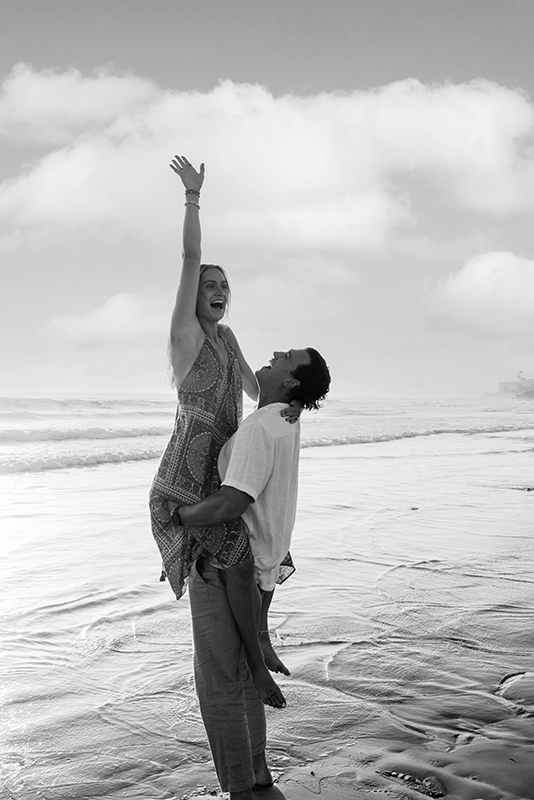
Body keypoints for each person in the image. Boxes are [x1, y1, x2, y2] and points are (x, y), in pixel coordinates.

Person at [149, 155, 298, 712]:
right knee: (238, 556)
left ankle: (260, 637)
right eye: (210, 284)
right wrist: (192, 196)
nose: (218, 290)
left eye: (224, 286)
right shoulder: (184, 335)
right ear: (194, 293)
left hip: (221, 473)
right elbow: (189, 257)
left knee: (271, 543)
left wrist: (294, 383)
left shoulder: (229, 340)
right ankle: (257, 669)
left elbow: (261, 399)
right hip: (184, 479)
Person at [172, 344, 331, 800]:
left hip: (227, 567)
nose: (277, 351)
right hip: (262, 565)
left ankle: (240, 789)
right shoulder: (285, 421)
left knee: (219, 682)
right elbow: (250, 375)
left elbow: (232, 501)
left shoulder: (262, 428)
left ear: (292, 382)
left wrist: (175, 516)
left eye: (287, 355)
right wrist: (227, 340)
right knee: (240, 674)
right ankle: (258, 775)